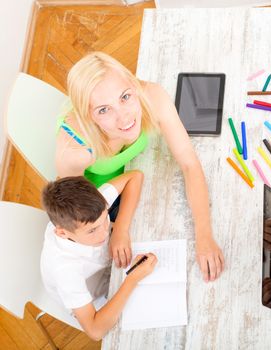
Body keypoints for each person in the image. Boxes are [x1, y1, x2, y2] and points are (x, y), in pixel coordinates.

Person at [55, 51, 223, 282]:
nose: (123, 118)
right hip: (98, 202)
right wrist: (119, 227)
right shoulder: (76, 152)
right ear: (88, 116)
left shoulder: (151, 96)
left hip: (132, 179)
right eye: (103, 110)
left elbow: (189, 162)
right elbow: (75, 210)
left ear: (133, 84)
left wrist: (204, 235)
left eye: (125, 97)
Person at [40, 173, 158, 340]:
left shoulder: (89, 206)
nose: (104, 232)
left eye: (105, 219)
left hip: (108, 268)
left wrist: (120, 230)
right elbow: (95, 331)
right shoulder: (65, 270)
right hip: (96, 298)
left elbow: (135, 176)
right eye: (92, 230)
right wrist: (132, 279)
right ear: (62, 233)